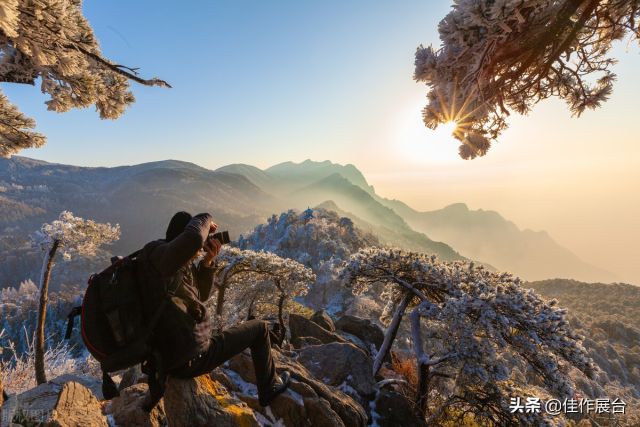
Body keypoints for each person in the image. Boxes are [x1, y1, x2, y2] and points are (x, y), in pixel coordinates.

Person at [138, 211, 290, 407]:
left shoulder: (159, 257)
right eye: (199, 244)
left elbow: (199, 297)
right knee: (260, 328)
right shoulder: (169, 261)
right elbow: (193, 237)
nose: (199, 248)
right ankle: (269, 389)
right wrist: (206, 218)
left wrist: (207, 261)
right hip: (188, 359)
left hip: (163, 356)